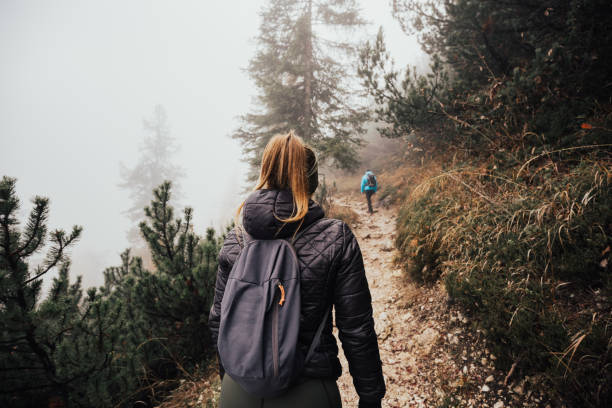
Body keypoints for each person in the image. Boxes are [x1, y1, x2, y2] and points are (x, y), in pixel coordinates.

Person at [208, 131, 385, 408]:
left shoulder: (236, 239)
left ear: (265, 172)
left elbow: (219, 322)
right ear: (310, 181)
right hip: (309, 390)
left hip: (237, 389)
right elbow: (356, 328)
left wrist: (229, 379)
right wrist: (371, 396)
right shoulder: (335, 237)